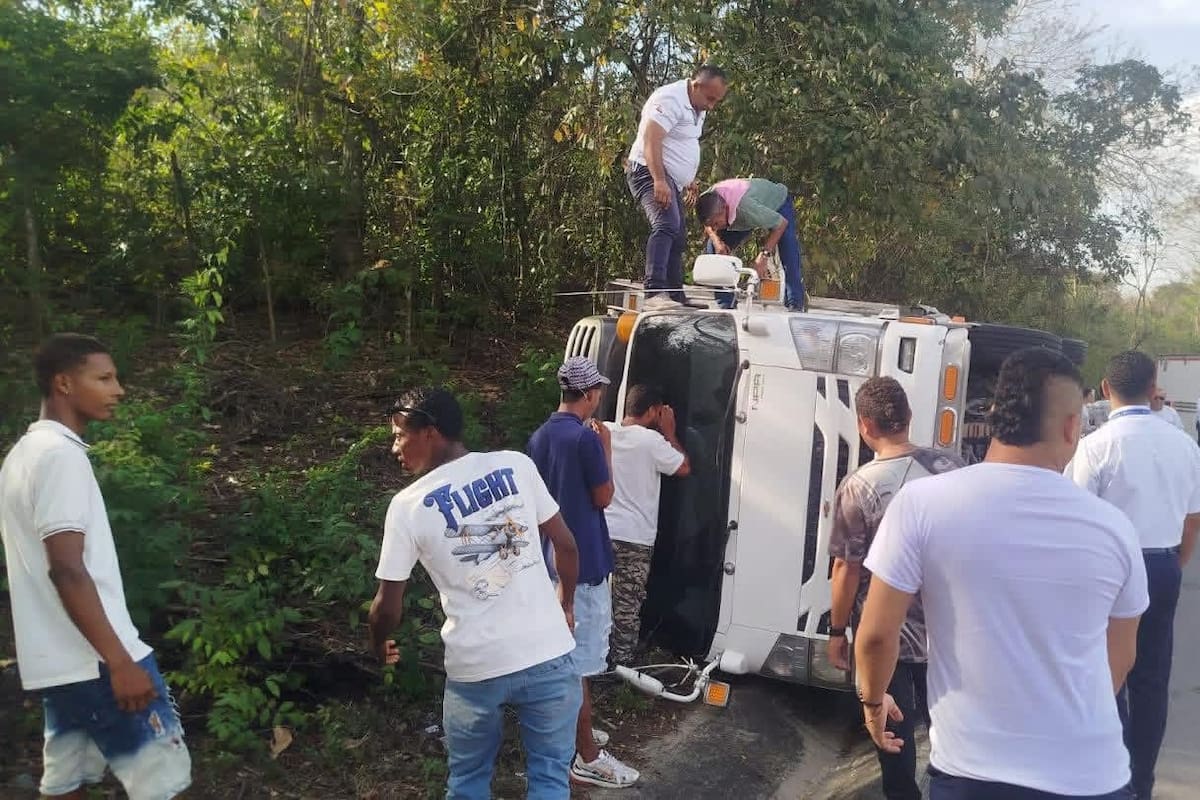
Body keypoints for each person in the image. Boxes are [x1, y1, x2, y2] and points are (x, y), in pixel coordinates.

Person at [856, 347, 1147, 800]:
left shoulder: (923, 505)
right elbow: (1121, 657)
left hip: (971, 773)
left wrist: (874, 702)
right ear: (1072, 427)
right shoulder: (1115, 528)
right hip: (1091, 775)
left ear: (994, 417)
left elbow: (876, 636)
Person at [0, 334, 192, 800]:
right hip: (100, 660)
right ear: (64, 383)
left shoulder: (21, 456)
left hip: (60, 664)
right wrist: (120, 662)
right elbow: (66, 569)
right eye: (104, 378)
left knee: (67, 783)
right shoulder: (60, 456)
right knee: (164, 784)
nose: (118, 389)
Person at [368, 387, 583, 799]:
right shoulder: (515, 465)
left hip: (476, 666)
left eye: (399, 436)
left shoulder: (407, 506)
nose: (394, 448)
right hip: (547, 652)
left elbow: (387, 607)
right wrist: (566, 602)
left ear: (430, 432)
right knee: (550, 779)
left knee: (467, 783)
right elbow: (567, 545)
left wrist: (379, 643)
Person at [1067, 350, 1200, 800]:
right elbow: (1193, 519)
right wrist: (1174, 563)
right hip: (1162, 564)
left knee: (1106, 670)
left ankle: (1110, 776)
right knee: (1151, 678)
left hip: (1108, 569)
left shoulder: (1096, 445)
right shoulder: (1183, 444)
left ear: (1105, 389)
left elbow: (1079, 517)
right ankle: (1141, 783)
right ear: (1153, 385)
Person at [826, 377, 963, 800]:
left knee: (893, 737)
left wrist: (837, 632)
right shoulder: (953, 469)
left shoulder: (860, 486)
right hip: (951, 633)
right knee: (954, 739)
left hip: (887, 636)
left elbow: (846, 568)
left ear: (864, 425)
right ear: (909, 417)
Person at [527, 357, 639, 788]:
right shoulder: (586, 439)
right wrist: (605, 445)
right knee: (579, 665)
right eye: (599, 392)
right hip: (584, 564)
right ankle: (587, 756)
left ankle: (577, 732)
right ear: (590, 394)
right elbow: (604, 496)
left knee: (561, 658)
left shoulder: (540, 437)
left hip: (549, 561)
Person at [626, 64, 729, 311]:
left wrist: (687, 179)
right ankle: (654, 292)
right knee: (666, 225)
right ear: (696, 85)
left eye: (717, 101)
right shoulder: (669, 99)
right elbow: (651, 140)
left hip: (670, 177)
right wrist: (659, 180)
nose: (712, 106)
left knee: (679, 235)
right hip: (647, 171)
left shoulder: (697, 106)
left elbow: (680, 142)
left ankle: (675, 295)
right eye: (710, 98)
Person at [602, 384, 690, 668]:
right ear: (653, 411)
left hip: (601, 532)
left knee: (593, 599)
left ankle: (591, 657)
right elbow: (683, 467)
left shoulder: (604, 431)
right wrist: (670, 431)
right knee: (626, 605)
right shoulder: (652, 442)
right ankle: (620, 666)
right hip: (635, 538)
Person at [695, 178, 806, 311]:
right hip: (743, 213)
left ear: (724, 209)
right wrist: (716, 241)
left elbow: (781, 224)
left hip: (777, 203)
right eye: (712, 225)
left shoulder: (746, 208)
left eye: (716, 224)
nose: (715, 228)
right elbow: (708, 223)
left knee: (788, 252)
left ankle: (795, 302)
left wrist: (764, 255)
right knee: (715, 249)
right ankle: (726, 304)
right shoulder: (707, 199)